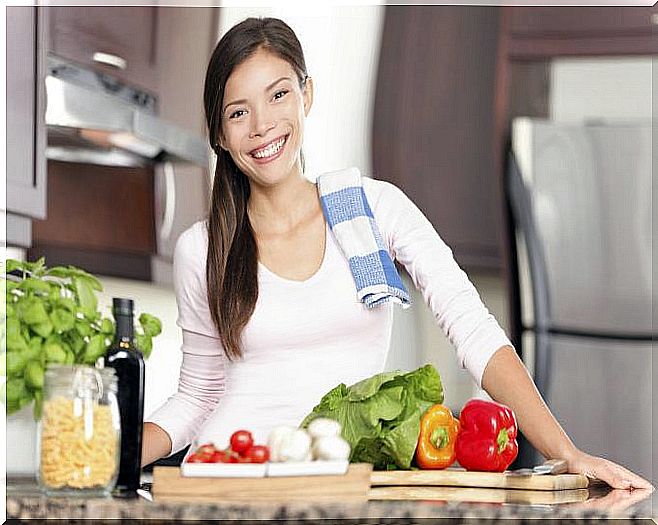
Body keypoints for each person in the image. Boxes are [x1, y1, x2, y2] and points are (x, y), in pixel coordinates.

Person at [141, 16, 651, 491]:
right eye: (238, 111)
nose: (262, 125)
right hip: (226, 485)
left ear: (306, 95)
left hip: (348, 485)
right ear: (219, 134)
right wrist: (111, 455)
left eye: (278, 95)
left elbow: (470, 326)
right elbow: (198, 396)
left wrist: (567, 451)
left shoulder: (371, 211)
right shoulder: (203, 249)